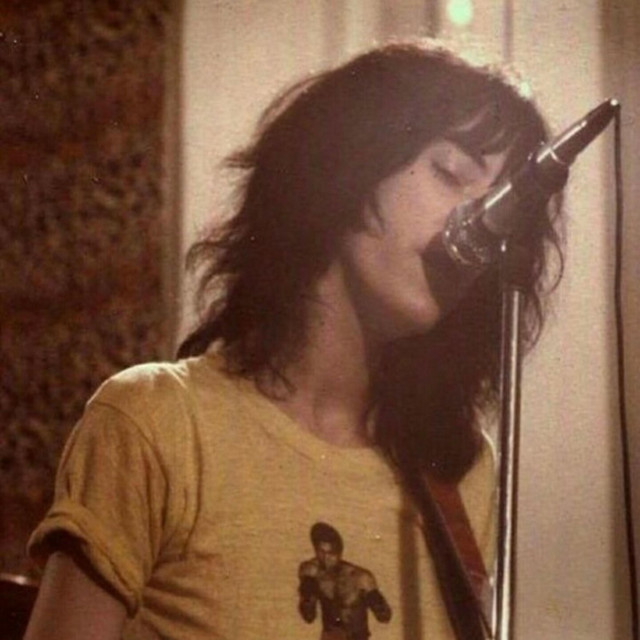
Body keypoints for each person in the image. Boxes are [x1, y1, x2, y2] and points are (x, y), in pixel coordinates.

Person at [24, 40, 563, 640]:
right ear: (352, 163)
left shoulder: (460, 469)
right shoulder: (155, 422)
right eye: (450, 173)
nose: (478, 228)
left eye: (500, 210)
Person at [298, 522, 392, 639]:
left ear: (339, 553)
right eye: (321, 552)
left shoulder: (360, 578)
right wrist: (308, 586)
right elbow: (308, 616)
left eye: (331, 553)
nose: (326, 558)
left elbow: (384, 617)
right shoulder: (312, 572)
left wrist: (375, 599)